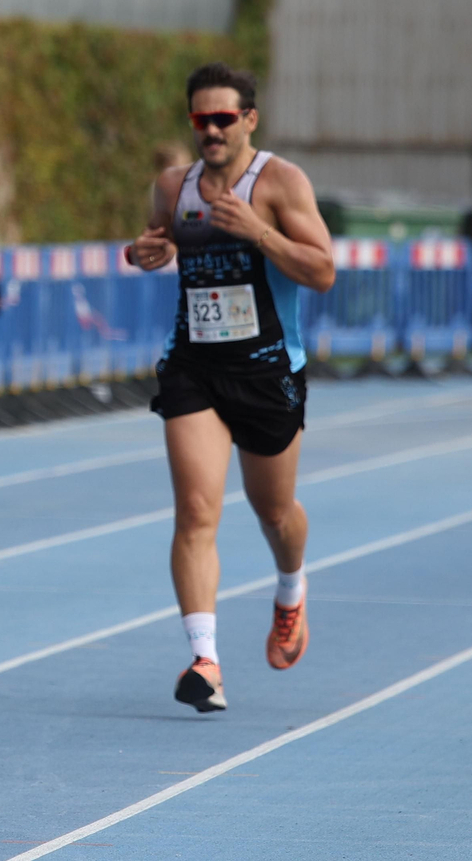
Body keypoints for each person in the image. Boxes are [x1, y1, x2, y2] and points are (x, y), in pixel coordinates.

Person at [128, 61, 335, 714]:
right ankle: (206, 660)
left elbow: (323, 270)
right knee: (195, 511)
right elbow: (151, 246)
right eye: (200, 119)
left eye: (224, 119)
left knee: (274, 511)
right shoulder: (172, 185)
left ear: (249, 119)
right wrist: (144, 254)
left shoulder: (279, 182)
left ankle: (291, 588)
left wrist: (259, 232)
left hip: (269, 366)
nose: (211, 131)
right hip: (194, 364)